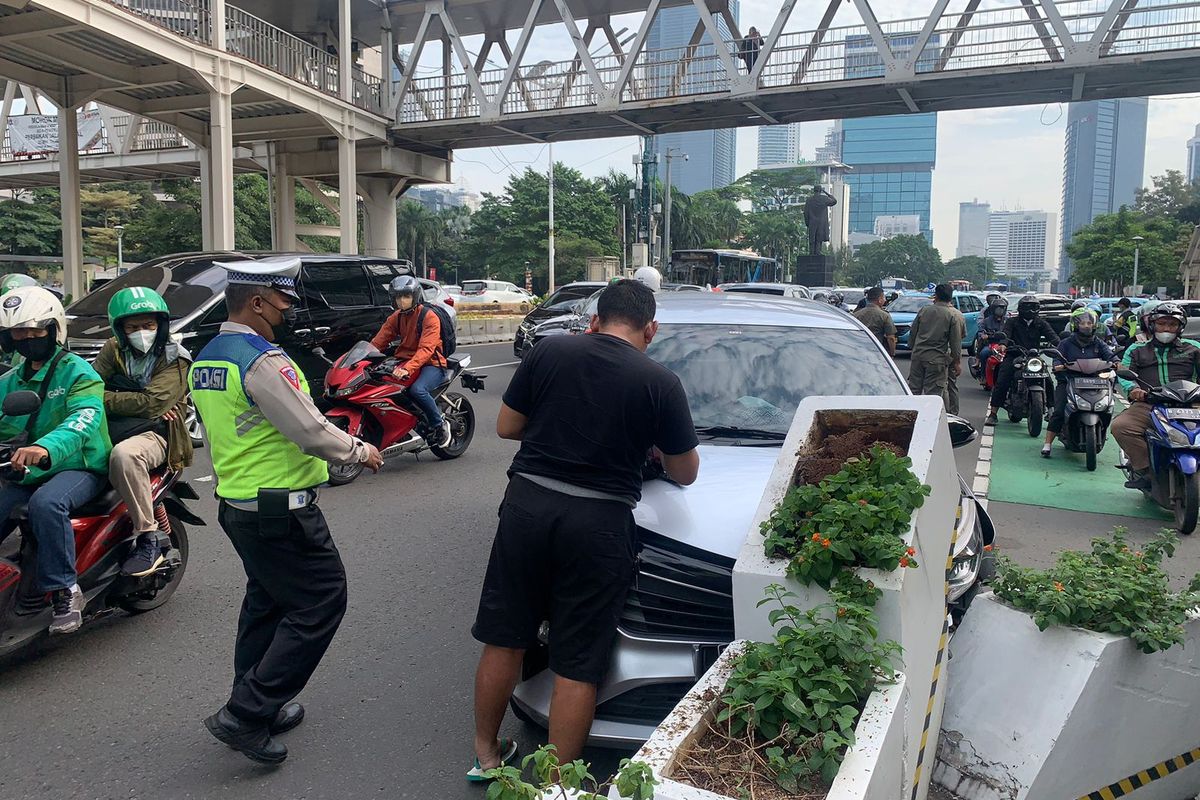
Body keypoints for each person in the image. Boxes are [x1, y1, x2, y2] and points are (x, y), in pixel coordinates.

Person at [469, 280, 699, 777]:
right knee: (578, 658)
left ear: (594, 320)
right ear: (650, 329)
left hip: (528, 505)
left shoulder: (549, 353)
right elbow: (685, 472)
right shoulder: (659, 382)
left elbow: (507, 427)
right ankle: (557, 784)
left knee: (505, 635)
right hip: (599, 522)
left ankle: (486, 756)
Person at [190, 256, 383, 764]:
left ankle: (258, 700)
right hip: (280, 506)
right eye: (282, 302)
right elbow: (309, 429)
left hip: (239, 503)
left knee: (268, 602)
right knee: (322, 600)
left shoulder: (209, 355)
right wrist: (360, 452)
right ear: (256, 302)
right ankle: (246, 713)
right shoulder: (261, 360)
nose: (286, 312)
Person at [0, 287, 110, 634]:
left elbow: (84, 420)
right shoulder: (10, 380)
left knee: (47, 505)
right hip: (23, 470)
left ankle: (65, 590)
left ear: (54, 329)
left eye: (35, 331)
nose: (28, 339)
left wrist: (45, 448)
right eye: (20, 333)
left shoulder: (79, 373)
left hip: (78, 464)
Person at [93, 287, 193, 576]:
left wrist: (111, 396)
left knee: (125, 457)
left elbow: (153, 404)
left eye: (148, 325)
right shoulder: (113, 349)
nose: (141, 331)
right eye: (132, 326)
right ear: (120, 328)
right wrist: (129, 398)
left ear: (160, 324)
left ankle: (147, 536)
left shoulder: (175, 355)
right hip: (115, 427)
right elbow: (88, 389)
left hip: (160, 433)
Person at [1112, 303, 1200, 489]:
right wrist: (1134, 390)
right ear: (1152, 325)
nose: (1166, 329)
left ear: (1180, 327)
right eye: (1161, 324)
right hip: (1149, 404)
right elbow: (1126, 375)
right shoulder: (1136, 349)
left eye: (1172, 324)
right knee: (1121, 427)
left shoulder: (1194, 348)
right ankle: (1145, 471)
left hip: (1190, 406)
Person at [369, 275, 451, 448]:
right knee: (384, 388)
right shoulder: (396, 317)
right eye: (398, 297)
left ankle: (439, 425)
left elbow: (426, 350)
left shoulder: (428, 317)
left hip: (432, 364)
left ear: (415, 296)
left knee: (418, 390)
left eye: (406, 296)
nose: (402, 301)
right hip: (404, 361)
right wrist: (363, 357)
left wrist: (408, 368)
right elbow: (378, 342)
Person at [1041, 309, 1116, 457]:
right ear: (1076, 325)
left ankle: (1101, 430)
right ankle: (1048, 443)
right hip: (1069, 381)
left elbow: (1110, 355)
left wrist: (1116, 362)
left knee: (1107, 407)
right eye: (1082, 323)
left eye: (1089, 323)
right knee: (1059, 410)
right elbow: (1058, 357)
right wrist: (1058, 365)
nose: (1086, 326)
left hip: (1095, 382)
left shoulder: (1098, 343)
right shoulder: (1066, 343)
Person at [986, 295, 1060, 425]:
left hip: (1033, 357)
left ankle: (1051, 410)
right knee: (1003, 380)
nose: (1030, 310)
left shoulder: (1040, 323)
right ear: (1021, 309)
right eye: (1027, 307)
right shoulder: (1012, 321)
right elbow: (1006, 334)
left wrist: (1060, 346)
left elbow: (1053, 337)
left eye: (1033, 307)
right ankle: (993, 413)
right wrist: (1003, 344)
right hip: (1014, 354)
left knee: (1048, 380)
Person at [906, 283, 963, 407]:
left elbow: (913, 333)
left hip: (918, 356)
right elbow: (955, 342)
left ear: (935, 296)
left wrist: (912, 347)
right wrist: (957, 362)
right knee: (933, 395)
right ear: (950, 298)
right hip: (936, 359)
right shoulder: (952, 315)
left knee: (914, 391)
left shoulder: (924, 310)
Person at [853, 287, 896, 356]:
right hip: (877, 352)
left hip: (859, 350)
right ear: (879, 300)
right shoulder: (884, 315)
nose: (885, 300)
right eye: (883, 297)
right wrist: (892, 353)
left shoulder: (856, 315)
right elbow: (891, 338)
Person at [944, 300, 968, 415]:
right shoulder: (958, 314)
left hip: (936, 354)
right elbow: (960, 337)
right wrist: (957, 361)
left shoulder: (928, 311)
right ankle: (953, 413)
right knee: (951, 384)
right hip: (949, 354)